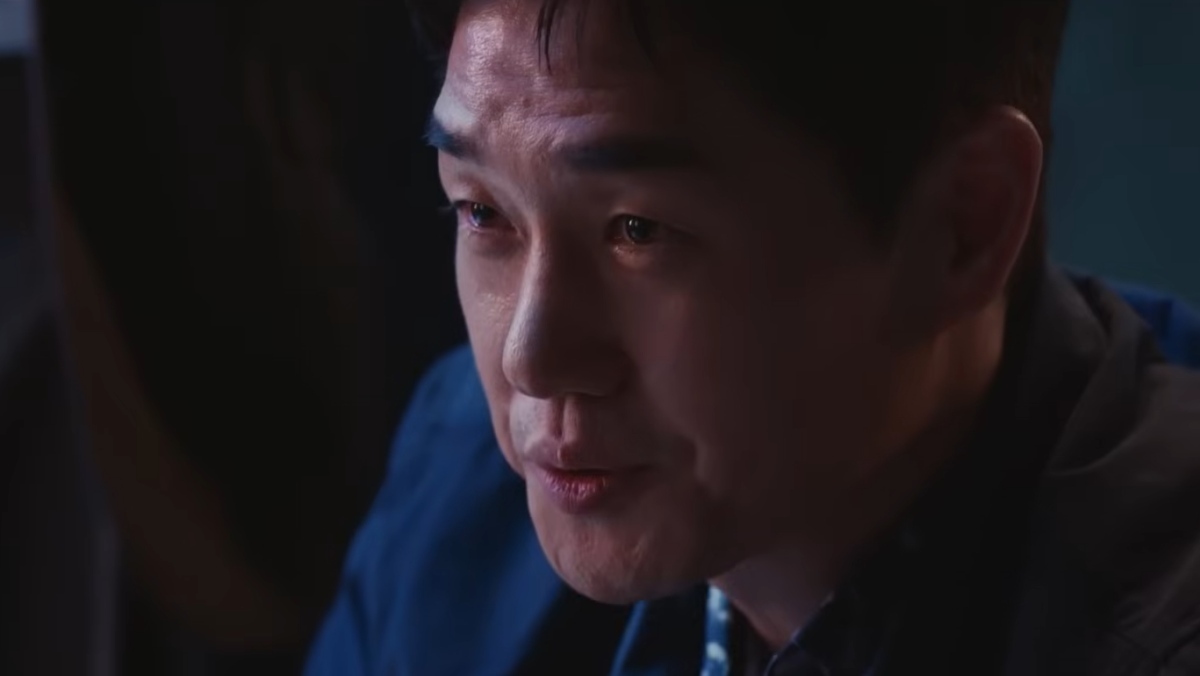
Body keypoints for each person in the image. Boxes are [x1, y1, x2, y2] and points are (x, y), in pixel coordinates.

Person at [310, 0, 1200, 673]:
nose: (529, 362)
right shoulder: (459, 483)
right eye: (482, 211)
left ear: (961, 226)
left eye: (637, 231)